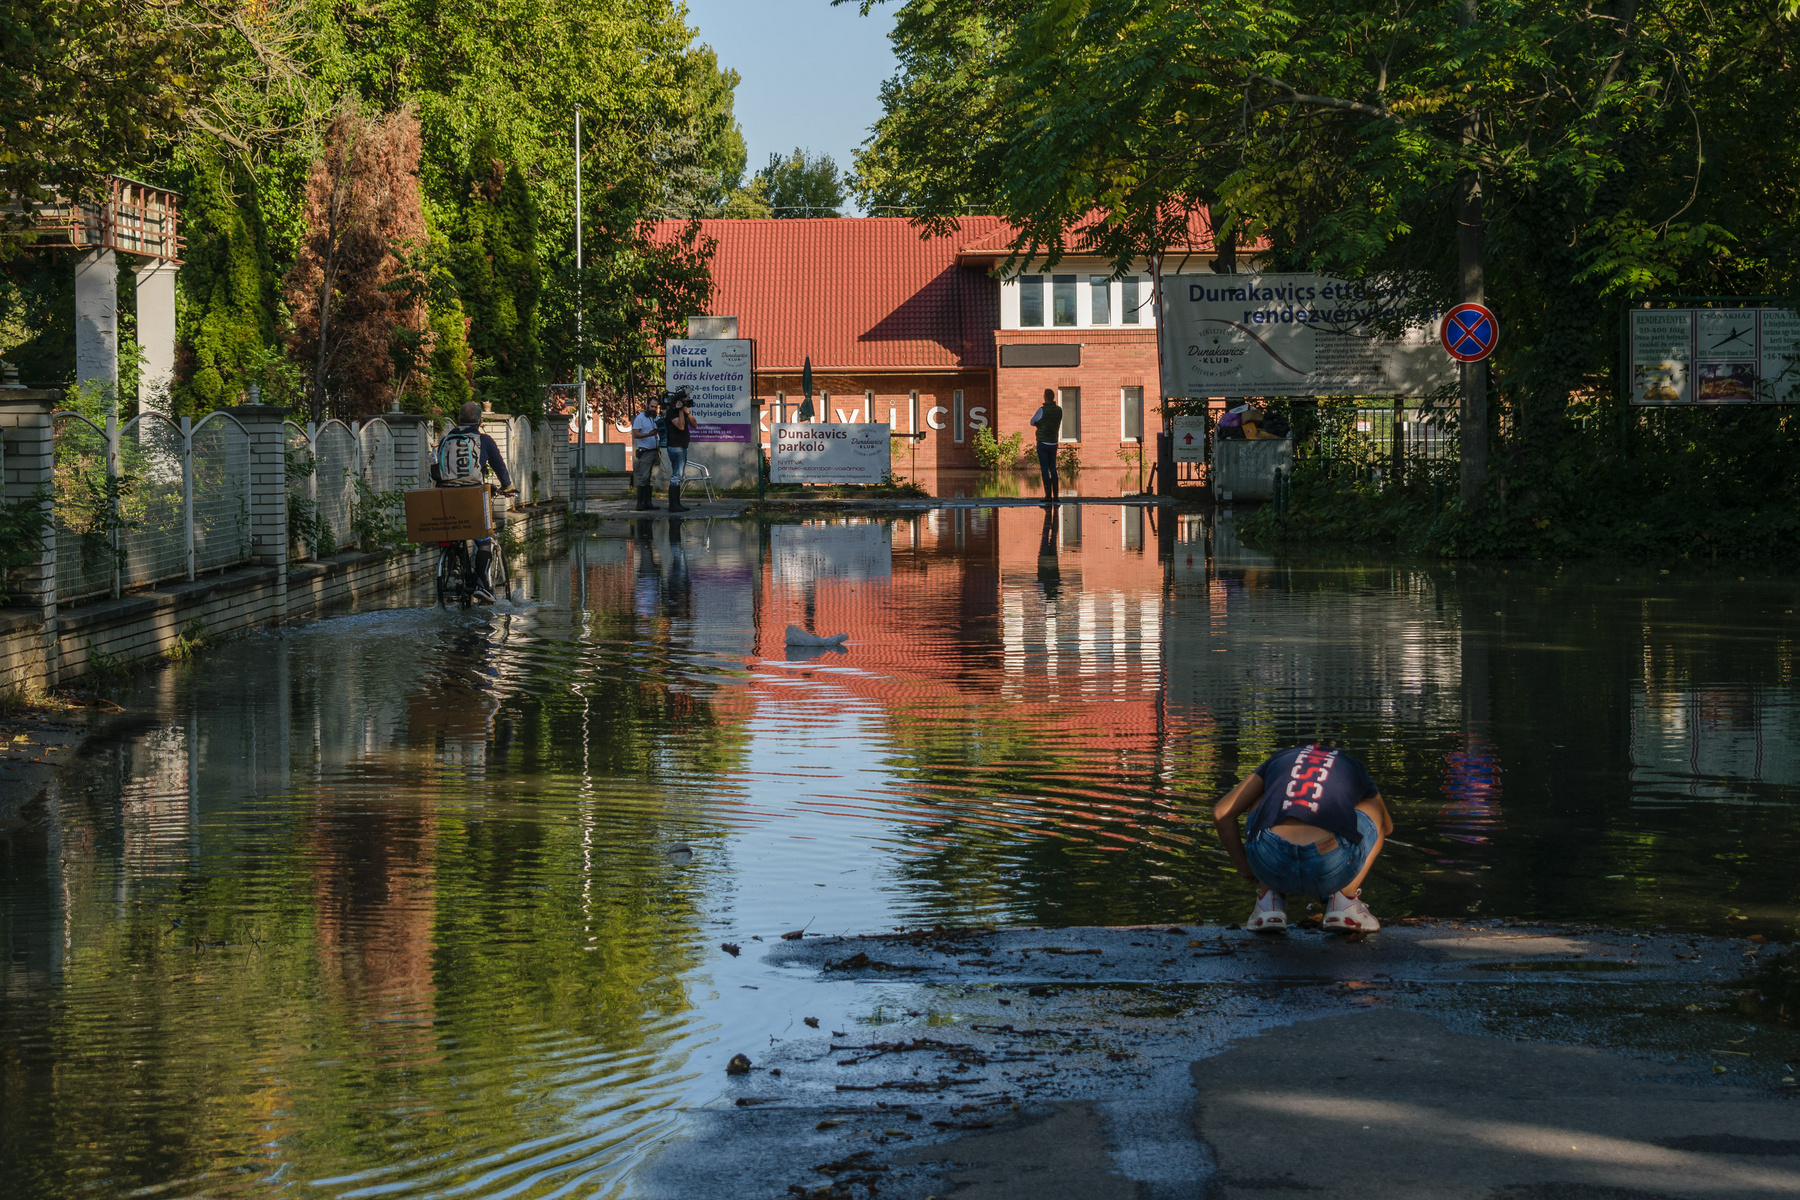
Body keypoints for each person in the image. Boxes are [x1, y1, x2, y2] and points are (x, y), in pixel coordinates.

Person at [1212, 743, 1393, 934]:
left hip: (1269, 862)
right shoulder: (1351, 765)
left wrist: (1244, 867)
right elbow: (1386, 826)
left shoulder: (1278, 759)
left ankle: (1268, 903)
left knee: (1261, 797)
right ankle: (1344, 903)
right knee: (1374, 806)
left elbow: (1221, 813)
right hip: (1331, 858)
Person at [430, 401, 513, 604]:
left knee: (452, 532)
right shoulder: (484, 440)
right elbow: (499, 467)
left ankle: (453, 565)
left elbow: (434, 469)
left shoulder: (444, 440)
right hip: (473, 495)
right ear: (479, 421)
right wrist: (508, 487)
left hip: (445, 496)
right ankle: (481, 583)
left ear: (458, 421)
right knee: (483, 539)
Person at [1030, 388, 1063, 505]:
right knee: (1053, 468)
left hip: (1043, 442)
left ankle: (1048, 496)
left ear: (1045, 397)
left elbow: (1032, 421)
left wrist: (1039, 425)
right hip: (1053, 442)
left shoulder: (1041, 410)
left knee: (1044, 468)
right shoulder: (1059, 410)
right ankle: (1056, 496)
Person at [631, 393, 662, 511]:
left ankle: (648, 502)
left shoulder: (657, 419)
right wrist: (648, 434)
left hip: (656, 451)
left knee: (652, 479)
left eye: (655, 407)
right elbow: (635, 434)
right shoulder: (640, 418)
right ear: (647, 406)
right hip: (645, 452)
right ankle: (639, 503)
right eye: (652, 406)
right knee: (643, 477)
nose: (653, 409)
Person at [664, 389, 693, 513]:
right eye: (684, 400)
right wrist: (680, 411)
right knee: (677, 475)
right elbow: (681, 426)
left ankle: (677, 503)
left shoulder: (684, 412)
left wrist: (688, 413)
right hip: (676, 448)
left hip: (682, 447)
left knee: (679, 475)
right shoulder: (672, 413)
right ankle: (673, 505)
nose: (686, 401)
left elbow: (695, 424)